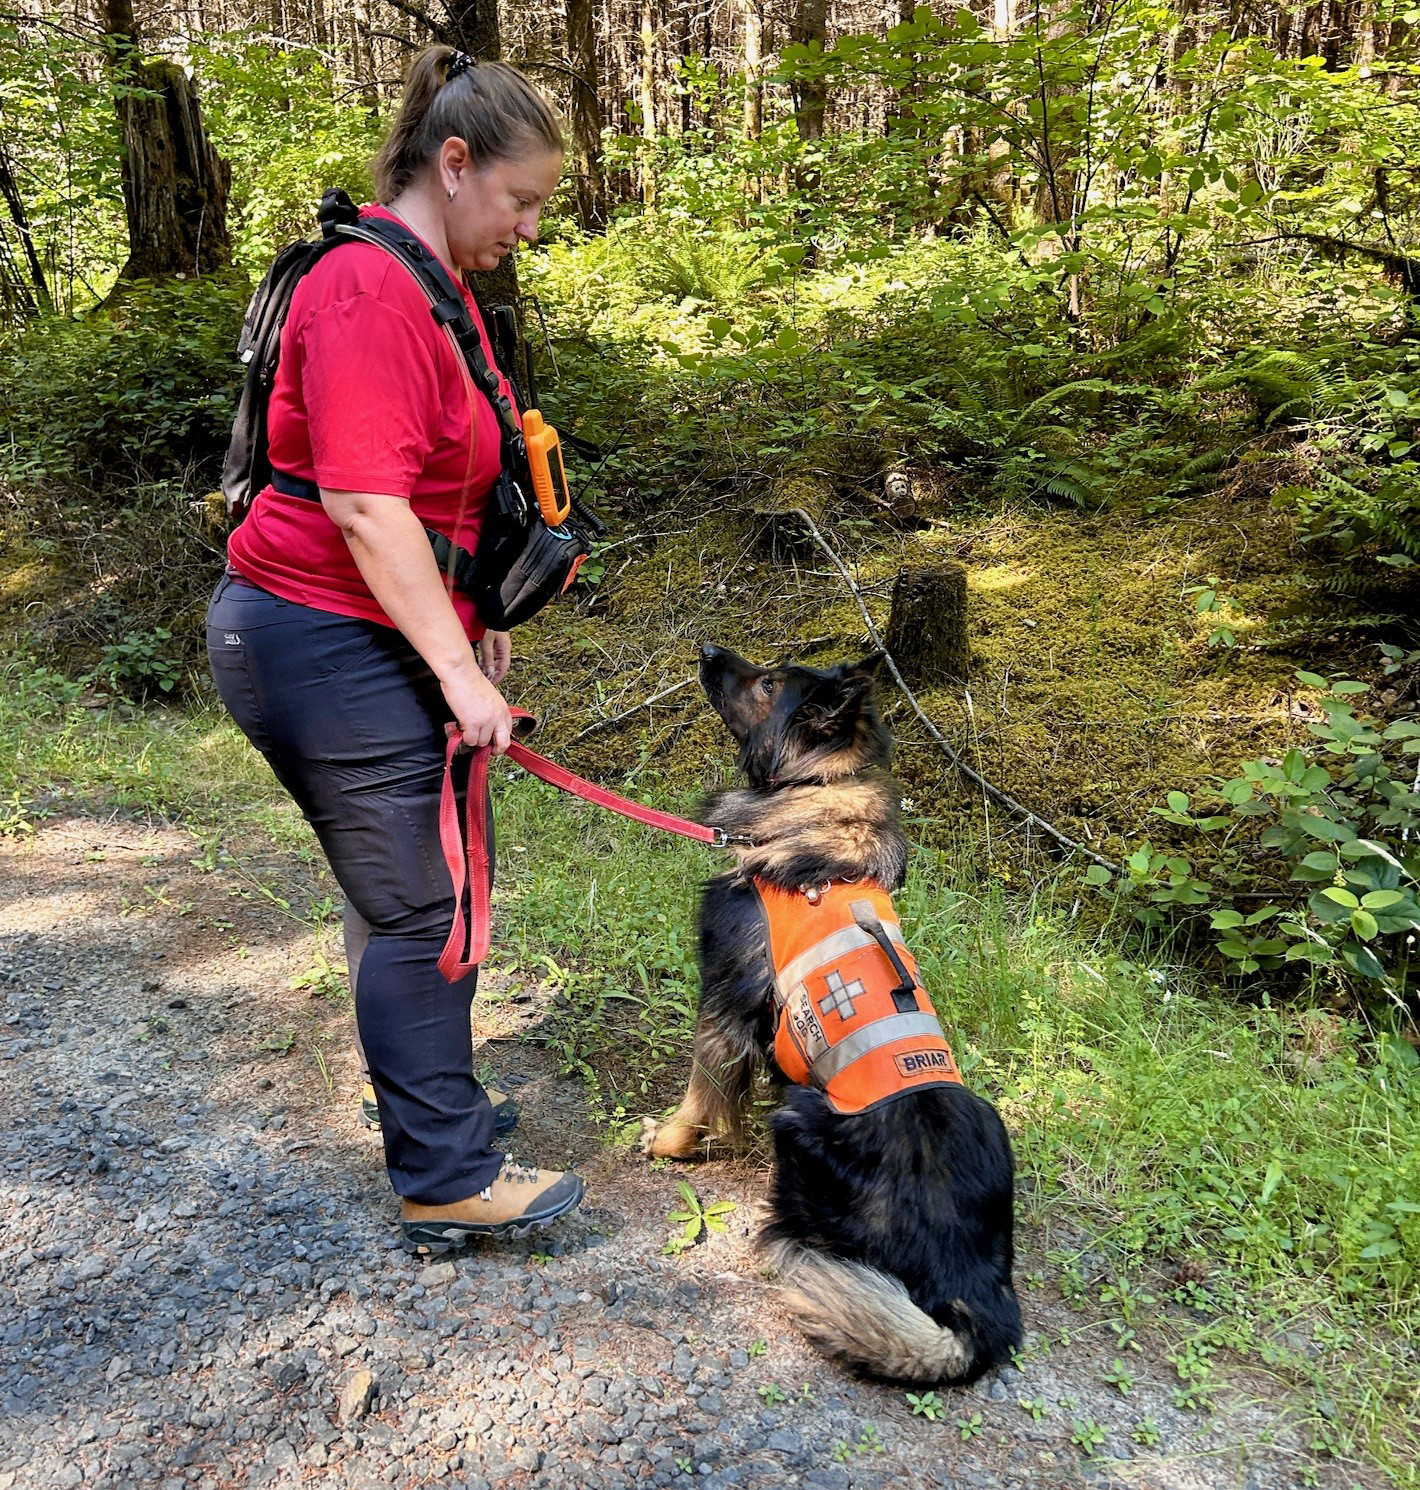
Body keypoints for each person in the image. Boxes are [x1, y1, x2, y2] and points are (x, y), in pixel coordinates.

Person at [206, 46, 583, 1248]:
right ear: (455, 163)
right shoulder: (369, 290)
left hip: (360, 633)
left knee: (408, 891)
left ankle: (437, 1110)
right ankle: (444, 1178)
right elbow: (367, 506)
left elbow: (436, 495)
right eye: (520, 199)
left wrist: (468, 628)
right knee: (421, 902)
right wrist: (458, 670)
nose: (528, 225)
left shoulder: (432, 278)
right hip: (314, 637)